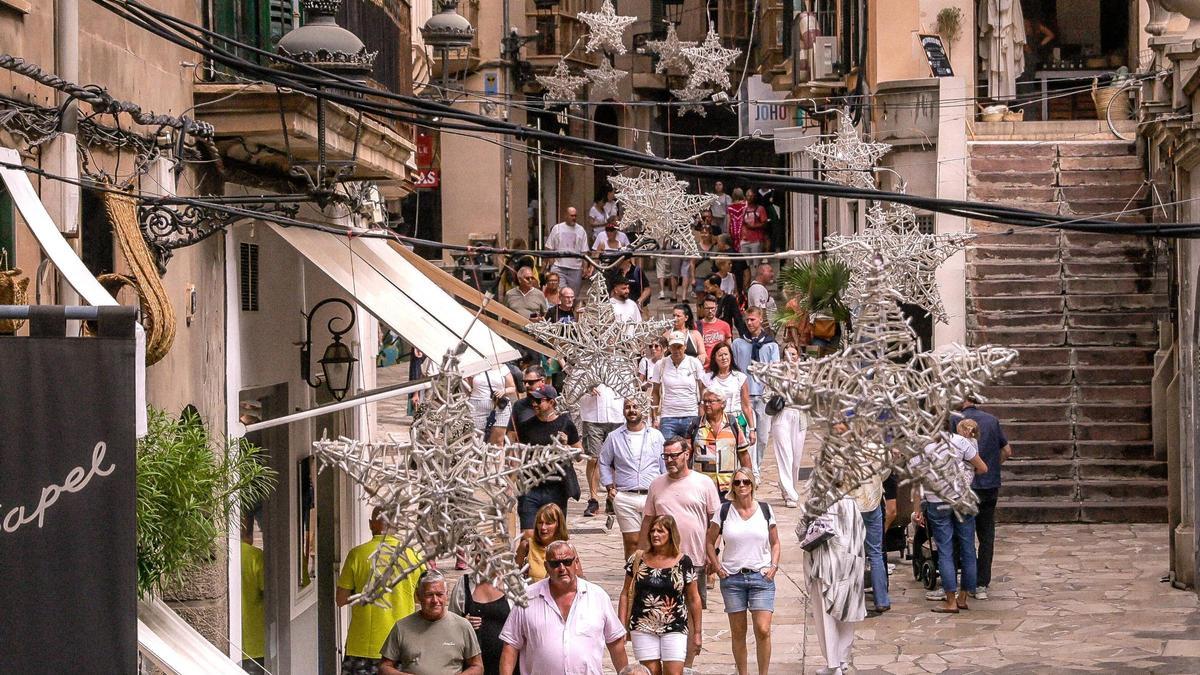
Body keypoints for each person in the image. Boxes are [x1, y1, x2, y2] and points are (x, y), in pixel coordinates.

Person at [639, 436, 720, 669]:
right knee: (662, 607)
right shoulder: (656, 484)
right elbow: (647, 521)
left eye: (674, 455)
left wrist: (713, 553)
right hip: (661, 560)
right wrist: (639, 553)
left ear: (687, 454)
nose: (670, 460)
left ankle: (686, 665)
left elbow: (715, 522)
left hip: (694, 558)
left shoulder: (703, 483)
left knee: (692, 608)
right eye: (666, 456)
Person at [499, 541, 628, 675]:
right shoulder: (527, 598)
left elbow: (615, 644)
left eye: (567, 562)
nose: (561, 568)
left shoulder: (598, 596)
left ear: (576, 563)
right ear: (546, 566)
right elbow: (511, 646)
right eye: (555, 564)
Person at [705, 468, 781, 675]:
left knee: (763, 629)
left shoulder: (765, 509)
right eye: (737, 482)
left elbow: (775, 543)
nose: (741, 486)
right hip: (733, 578)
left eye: (745, 482)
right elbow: (710, 542)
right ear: (732, 486)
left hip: (761, 576)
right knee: (738, 632)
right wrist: (717, 567)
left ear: (752, 485)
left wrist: (773, 567)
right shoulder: (723, 511)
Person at [338, 508, 425, 674]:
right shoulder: (413, 556)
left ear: (371, 524)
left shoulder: (357, 555)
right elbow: (421, 599)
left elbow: (341, 599)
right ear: (397, 525)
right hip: (402, 645)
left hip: (362, 646)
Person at [914, 419, 988, 613]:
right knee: (968, 548)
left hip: (937, 502)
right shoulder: (960, 442)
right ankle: (963, 597)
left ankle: (950, 600)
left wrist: (917, 509)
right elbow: (982, 467)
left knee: (945, 550)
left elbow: (917, 484)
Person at [618, 515, 702, 675]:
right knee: (651, 672)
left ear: (671, 534)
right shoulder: (637, 560)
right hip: (643, 625)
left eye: (660, 531)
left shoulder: (684, 563)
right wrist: (622, 625)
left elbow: (694, 598)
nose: (655, 534)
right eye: (653, 531)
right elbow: (625, 593)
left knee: (674, 672)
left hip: (674, 625)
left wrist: (697, 632)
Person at [953, 396, 1012, 600]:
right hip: (989, 485)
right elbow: (1007, 450)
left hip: (964, 488)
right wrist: (994, 467)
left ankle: (963, 583)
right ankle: (981, 583)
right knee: (987, 535)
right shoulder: (991, 420)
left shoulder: (955, 421)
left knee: (963, 535)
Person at [804, 487, 866, 675]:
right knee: (846, 614)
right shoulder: (852, 501)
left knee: (827, 615)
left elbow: (805, 532)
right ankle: (841, 659)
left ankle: (834, 663)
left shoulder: (820, 501)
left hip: (828, 566)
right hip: (851, 564)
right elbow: (861, 534)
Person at [378, 570, 483, 675]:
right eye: (429, 595)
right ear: (418, 596)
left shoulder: (463, 626)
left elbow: (477, 666)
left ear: (446, 595)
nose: (435, 600)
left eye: (439, 594)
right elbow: (384, 667)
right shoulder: (402, 627)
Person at [600, 397, 667, 558]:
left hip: (652, 495)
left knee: (654, 539)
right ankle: (632, 578)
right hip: (625, 496)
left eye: (635, 406)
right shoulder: (614, 437)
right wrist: (609, 486)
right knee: (631, 541)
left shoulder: (656, 436)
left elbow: (664, 464)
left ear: (642, 409)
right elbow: (603, 462)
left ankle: (651, 576)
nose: (631, 410)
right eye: (627, 407)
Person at [512, 384, 583, 532]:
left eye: (539, 401)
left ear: (551, 402)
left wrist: (566, 446)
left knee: (554, 534)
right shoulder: (526, 426)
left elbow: (580, 455)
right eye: (533, 400)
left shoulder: (565, 423)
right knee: (528, 535)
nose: (534, 404)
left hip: (557, 487)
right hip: (530, 486)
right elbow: (518, 455)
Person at [731, 307, 779, 477]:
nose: (749, 323)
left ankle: (757, 464)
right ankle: (753, 471)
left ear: (760, 320)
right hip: (745, 396)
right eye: (747, 320)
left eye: (753, 319)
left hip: (763, 395)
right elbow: (734, 368)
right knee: (747, 434)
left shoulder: (771, 345)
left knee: (763, 437)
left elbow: (775, 370)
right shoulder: (738, 343)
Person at [450, 564, 513, 675]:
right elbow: (449, 624)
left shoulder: (514, 583)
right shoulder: (463, 584)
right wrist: (463, 623)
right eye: (477, 554)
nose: (479, 560)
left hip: (507, 665)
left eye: (485, 555)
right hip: (472, 666)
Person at [693, 390, 752, 498]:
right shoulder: (695, 425)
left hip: (728, 486)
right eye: (704, 401)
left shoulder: (733, 424)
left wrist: (749, 480)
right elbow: (687, 454)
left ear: (722, 404)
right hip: (702, 487)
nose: (707, 405)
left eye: (711, 402)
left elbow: (743, 454)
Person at [770, 345, 808, 507]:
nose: (790, 357)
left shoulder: (805, 375)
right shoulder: (775, 373)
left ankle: (788, 487)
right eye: (787, 354)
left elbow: (806, 396)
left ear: (798, 356)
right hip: (782, 415)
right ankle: (790, 494)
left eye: (793, 354)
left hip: (799, 416)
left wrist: (796, 372)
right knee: (785, 454)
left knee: (796, 460)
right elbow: (772, 393)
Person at [650, 332, 706, 441]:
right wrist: (654, 418)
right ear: (669, 348)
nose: (676, 350)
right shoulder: (661, 364)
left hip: (691, 414)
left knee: (691, 451)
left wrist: (702, 415)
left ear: (685, 346)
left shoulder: (694, 363)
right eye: (673, 346)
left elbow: (702, 388)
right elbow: (655, 392)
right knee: (668, 451)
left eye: (679, 346)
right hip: (668, 416)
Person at [850, 471, 891, 616]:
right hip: (872, 501)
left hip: (851, 504)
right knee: (875, 553)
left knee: (853, 553)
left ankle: (854, 600)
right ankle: (882, 600)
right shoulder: (876, 448)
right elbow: (885, 472)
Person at [579, 383, 624, 518]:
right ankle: (594, 499)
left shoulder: (621, 363)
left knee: (617, 460)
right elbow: (573, 386)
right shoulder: (584, 362)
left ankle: (613, 497)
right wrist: (585, 388)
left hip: (617, 415)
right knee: (593, 458)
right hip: (592, 416)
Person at [515, 503, 569, 582]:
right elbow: (512, 577)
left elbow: (579, 578)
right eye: (540, 522)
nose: (543, 527)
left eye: (548, 523)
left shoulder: (567, 548)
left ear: (558, 525)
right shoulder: (526, 546)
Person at [468, 365, 516, 445]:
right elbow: (469, 387)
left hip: (499, 407)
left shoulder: (503, 367)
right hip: (477, 406)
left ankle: (496, 457)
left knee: (497, 441)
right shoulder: (474, 366)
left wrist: (503, 391)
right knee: (477, 441)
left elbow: (512, 387)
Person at [546, 207, 589, 292]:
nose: (574, 218)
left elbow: (584, 251)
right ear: (566, 216)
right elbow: (549, 247)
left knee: (572, 295)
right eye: (572, 216)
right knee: (560, 293)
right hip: (559, 267)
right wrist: (552, 263)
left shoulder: (581, 230)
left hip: (575, 269)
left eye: (575, 216)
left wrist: (585, 267)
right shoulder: (557, 228)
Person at [508, 365, 547, 441]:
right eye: (524, 382)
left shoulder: (555, 403)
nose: (526, 385)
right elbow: (512, 434)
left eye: (530, 382)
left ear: (542, 381)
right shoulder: (519, 405)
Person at [704, 274, 747, 340]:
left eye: (707, 287)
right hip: (709, 336)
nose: (705, 290)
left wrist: (745, 337)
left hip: (725, 335)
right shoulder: (706, 300)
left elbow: (738, 320)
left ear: (715, 286)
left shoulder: (729, 299)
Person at [696, 295, 732, 360]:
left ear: (716, 307)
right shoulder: (696, 326)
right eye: (707, 308)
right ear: (703, 308)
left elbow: (729, 348)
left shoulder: (725, 325)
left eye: (712, 308)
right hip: (703, 366)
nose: (710, 311)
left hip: (720, 365)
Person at [739, 191, 769, 264]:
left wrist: (753, 226)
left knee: (756, 264)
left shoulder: (760, 209)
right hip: (744, 240)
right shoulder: (743, 209)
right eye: (748, 195)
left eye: (751, 196)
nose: (749, 197)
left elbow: (765, 224)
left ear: (755, 197)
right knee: (745, 265)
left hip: (756, 240)